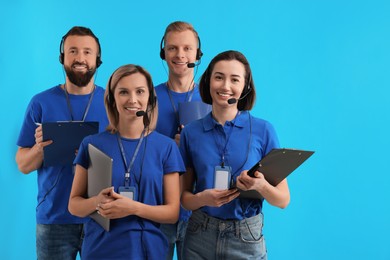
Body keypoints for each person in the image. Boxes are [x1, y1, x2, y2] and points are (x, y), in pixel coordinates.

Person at [180, 50, 291, 259]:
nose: (225, 86)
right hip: (199, 236)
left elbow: (283, 199)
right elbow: (185, 199)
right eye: (219, 77)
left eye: (235, 79)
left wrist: (260, 185)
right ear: (208, 81)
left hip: (246, 238)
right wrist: (203, 198)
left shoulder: (264, 131)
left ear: (245, 86)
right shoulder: (191, 133)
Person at [68, 64, 185, 259]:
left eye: (140, 91)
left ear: (150, 99)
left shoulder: (166, 147)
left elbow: (173, 212)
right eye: (123, 92)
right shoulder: (91, 144)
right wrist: (97, 202)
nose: (133, 100)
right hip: (100, 249)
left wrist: (133, 208)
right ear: (112, 99)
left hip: (149, 250)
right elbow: (74, 205)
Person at [15, 26, 108, 260]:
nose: (80, 58)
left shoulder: (112, 102)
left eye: (87, 52)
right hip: (53, 218)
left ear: (98, 59)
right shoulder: (41, 103)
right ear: (62, 58)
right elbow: (23, 165)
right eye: (73, 51)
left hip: (99, 215)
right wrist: (39, 148)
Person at [155, 21, 209, 260]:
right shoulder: (146, 96)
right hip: (157, 207)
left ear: (197, 54)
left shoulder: (212, 99)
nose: (180, 54)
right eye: (173, 48)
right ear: (163, 53)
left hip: (199, 213)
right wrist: (169, 147)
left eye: (187, 48)